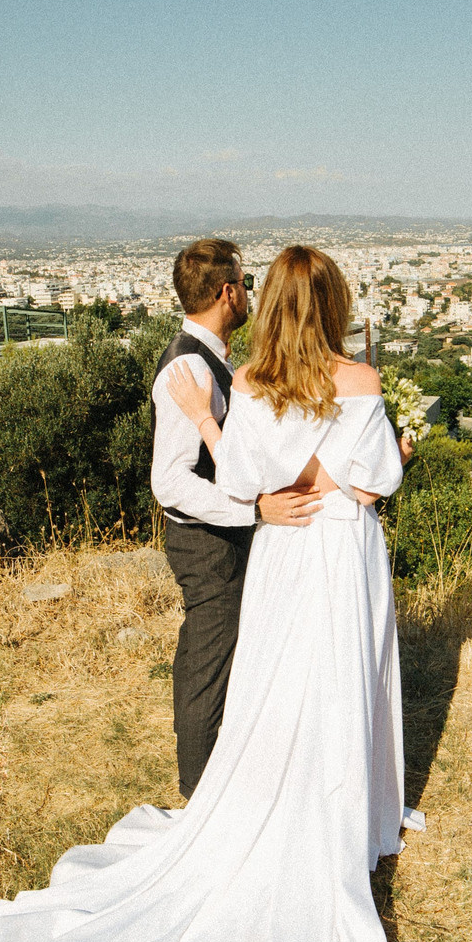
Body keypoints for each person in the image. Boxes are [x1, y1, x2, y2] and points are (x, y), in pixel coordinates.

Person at [0, 245, 416, 942]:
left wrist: (215, 423)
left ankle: (262, 800)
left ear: (266, 302)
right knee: (338, 681)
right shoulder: (363, 383)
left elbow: (241, 474)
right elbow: (377, 484)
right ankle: (342, 808)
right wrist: (357, 462)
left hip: (281, 554)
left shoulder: (255, 383)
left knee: (274, 691)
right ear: (338, 302)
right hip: (341, 553)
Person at [146, 238, 321, 799]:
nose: (249, 294)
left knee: (229, 653)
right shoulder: (189, 368)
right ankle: (198, 791)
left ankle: (226, 774)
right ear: (228, 292)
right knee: (209, 658)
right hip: (206, 542)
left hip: (223, 536)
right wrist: (253, 508)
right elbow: (170, 480)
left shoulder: (206, 358)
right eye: (245, 284)